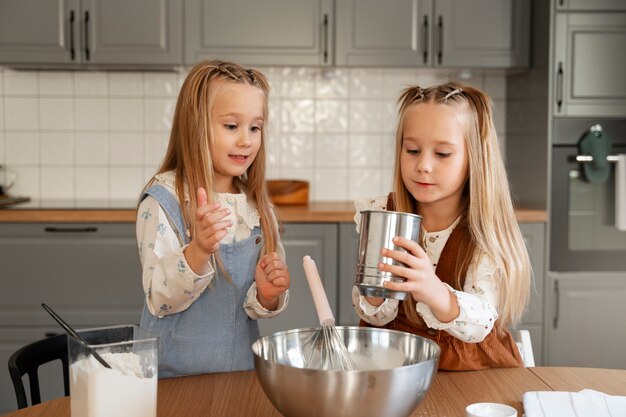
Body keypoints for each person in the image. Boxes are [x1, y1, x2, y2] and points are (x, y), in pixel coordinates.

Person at [353, 82, 531, 370]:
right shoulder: (383, 213)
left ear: (475, 158)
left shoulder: (484, 232)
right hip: (396, 365)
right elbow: (374, 318)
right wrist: (374, 293)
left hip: (469, 371)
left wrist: (433, 290)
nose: (423, 165)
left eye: (442, 154)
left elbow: (480, 323)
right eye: (412, 150)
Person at [136, 60, 290, 378]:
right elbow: (159, 297)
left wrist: (267, 294)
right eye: (231, 126)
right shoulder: (165, 200)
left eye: (255, 127)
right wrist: (199, 250)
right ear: (195, 126)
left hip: (239, 375)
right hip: (170, 379)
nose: (246, 140)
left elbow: (253, 306)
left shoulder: (258, 209)